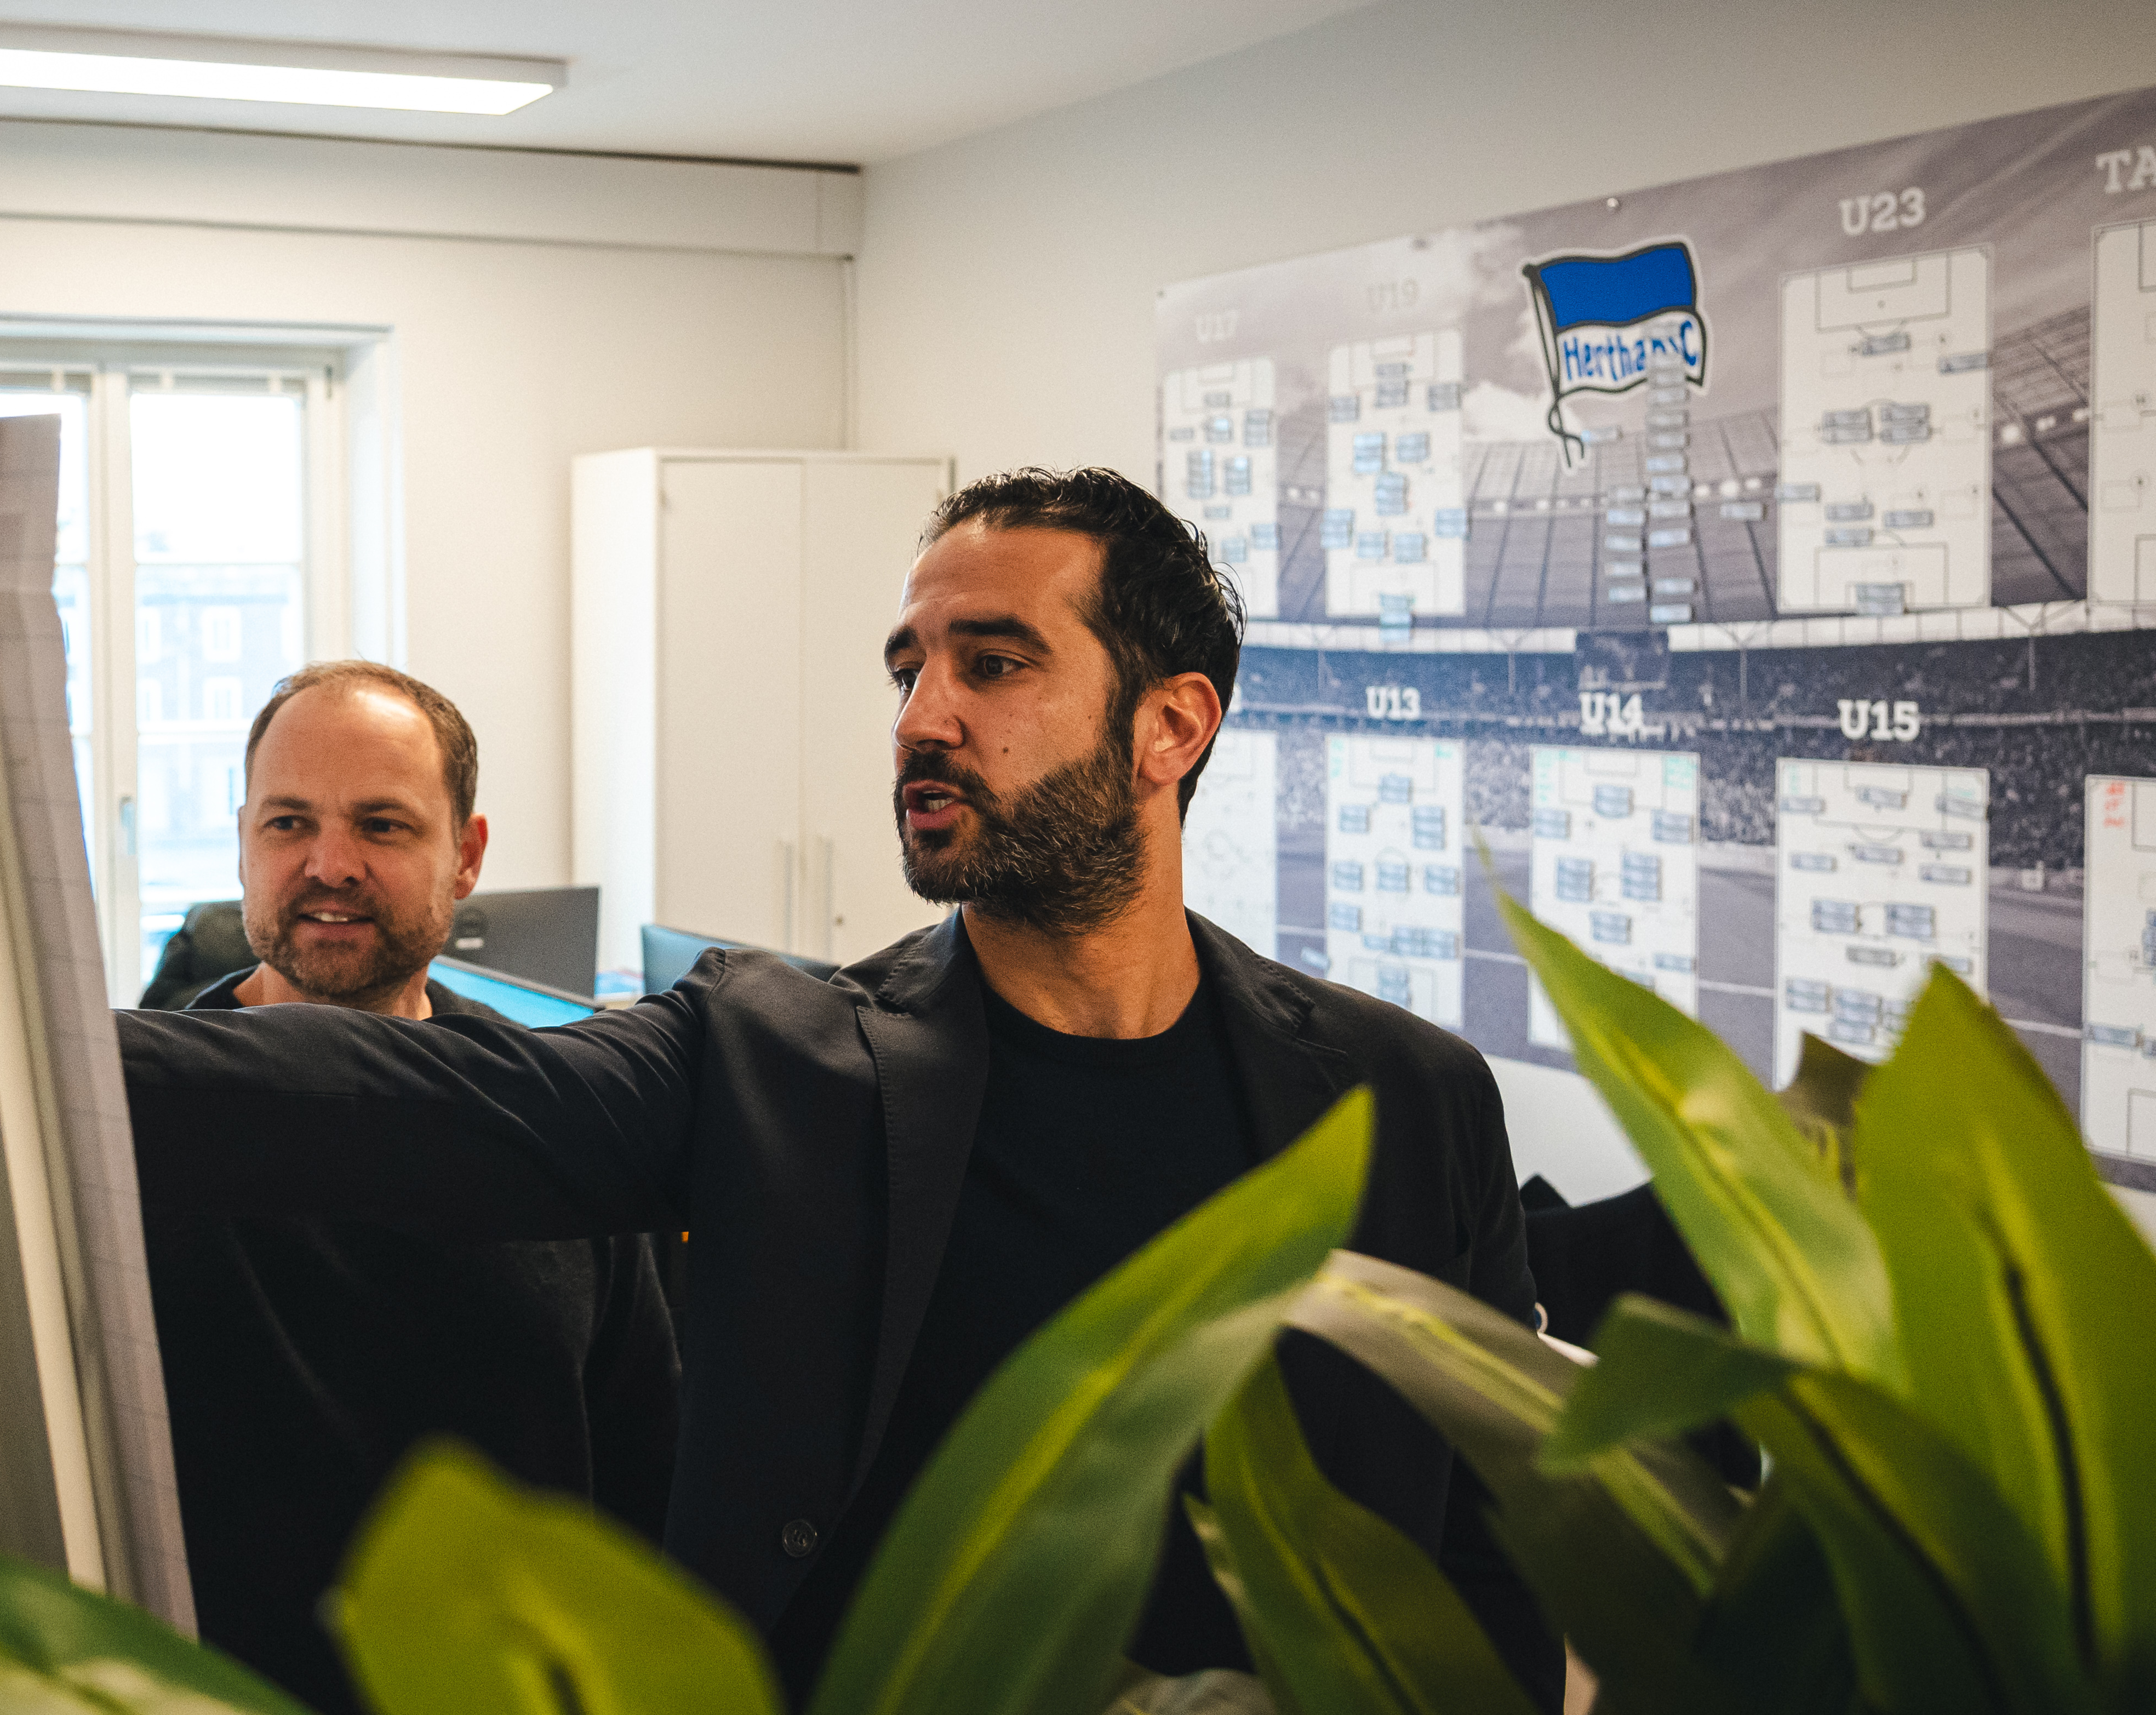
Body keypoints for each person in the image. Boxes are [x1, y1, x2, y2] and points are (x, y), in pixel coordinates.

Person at [116, 470, 1554, 1706]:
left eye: (990, 664)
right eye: (906, 668)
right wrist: (0, 1046)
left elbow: (1490, 1559)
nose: (922, 716)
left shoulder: (1401, 1099)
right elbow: (416, 1107)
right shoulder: (780, 1058)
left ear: (1168, 727)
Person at [141, 660, 682, 1715]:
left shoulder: (559, 1124)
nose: (328, 864)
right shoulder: (128, 1124)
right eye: (289, 824)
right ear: (242, 840)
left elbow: (643, 1497)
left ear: (467, 855)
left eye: (382, 826)